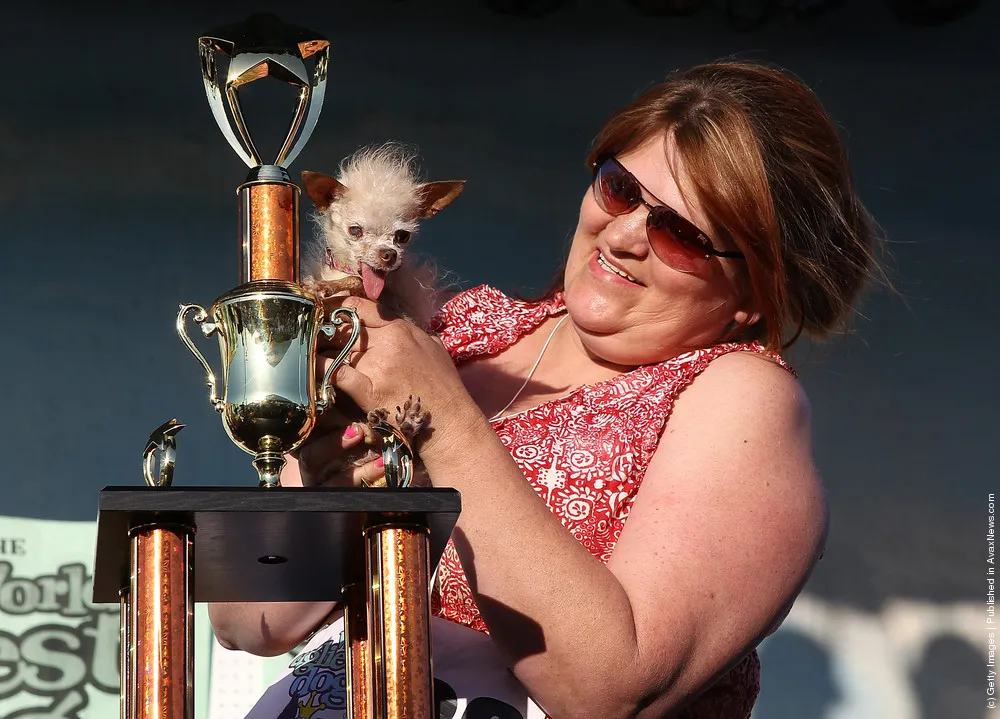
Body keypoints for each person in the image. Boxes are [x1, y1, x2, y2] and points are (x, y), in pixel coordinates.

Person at [209, 60, 879, 719]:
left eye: (681, 235)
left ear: (758, 287)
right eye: (620, 189)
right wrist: (327, 481)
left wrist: (444, 423)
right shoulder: (462, 328)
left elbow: (612, 691)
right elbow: (247, 618)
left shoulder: (739, 395)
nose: (623, 235)